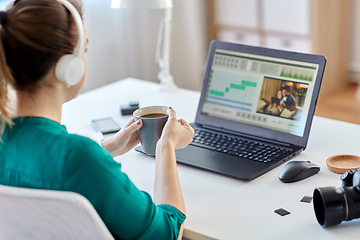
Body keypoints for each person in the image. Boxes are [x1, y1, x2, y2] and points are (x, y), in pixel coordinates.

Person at [0, 1, 194, 239]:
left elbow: (44, 166)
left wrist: (106, 149)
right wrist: (166, 147)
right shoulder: (77, 157)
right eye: (85, 50)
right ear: (67, 66)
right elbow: (167, 233)